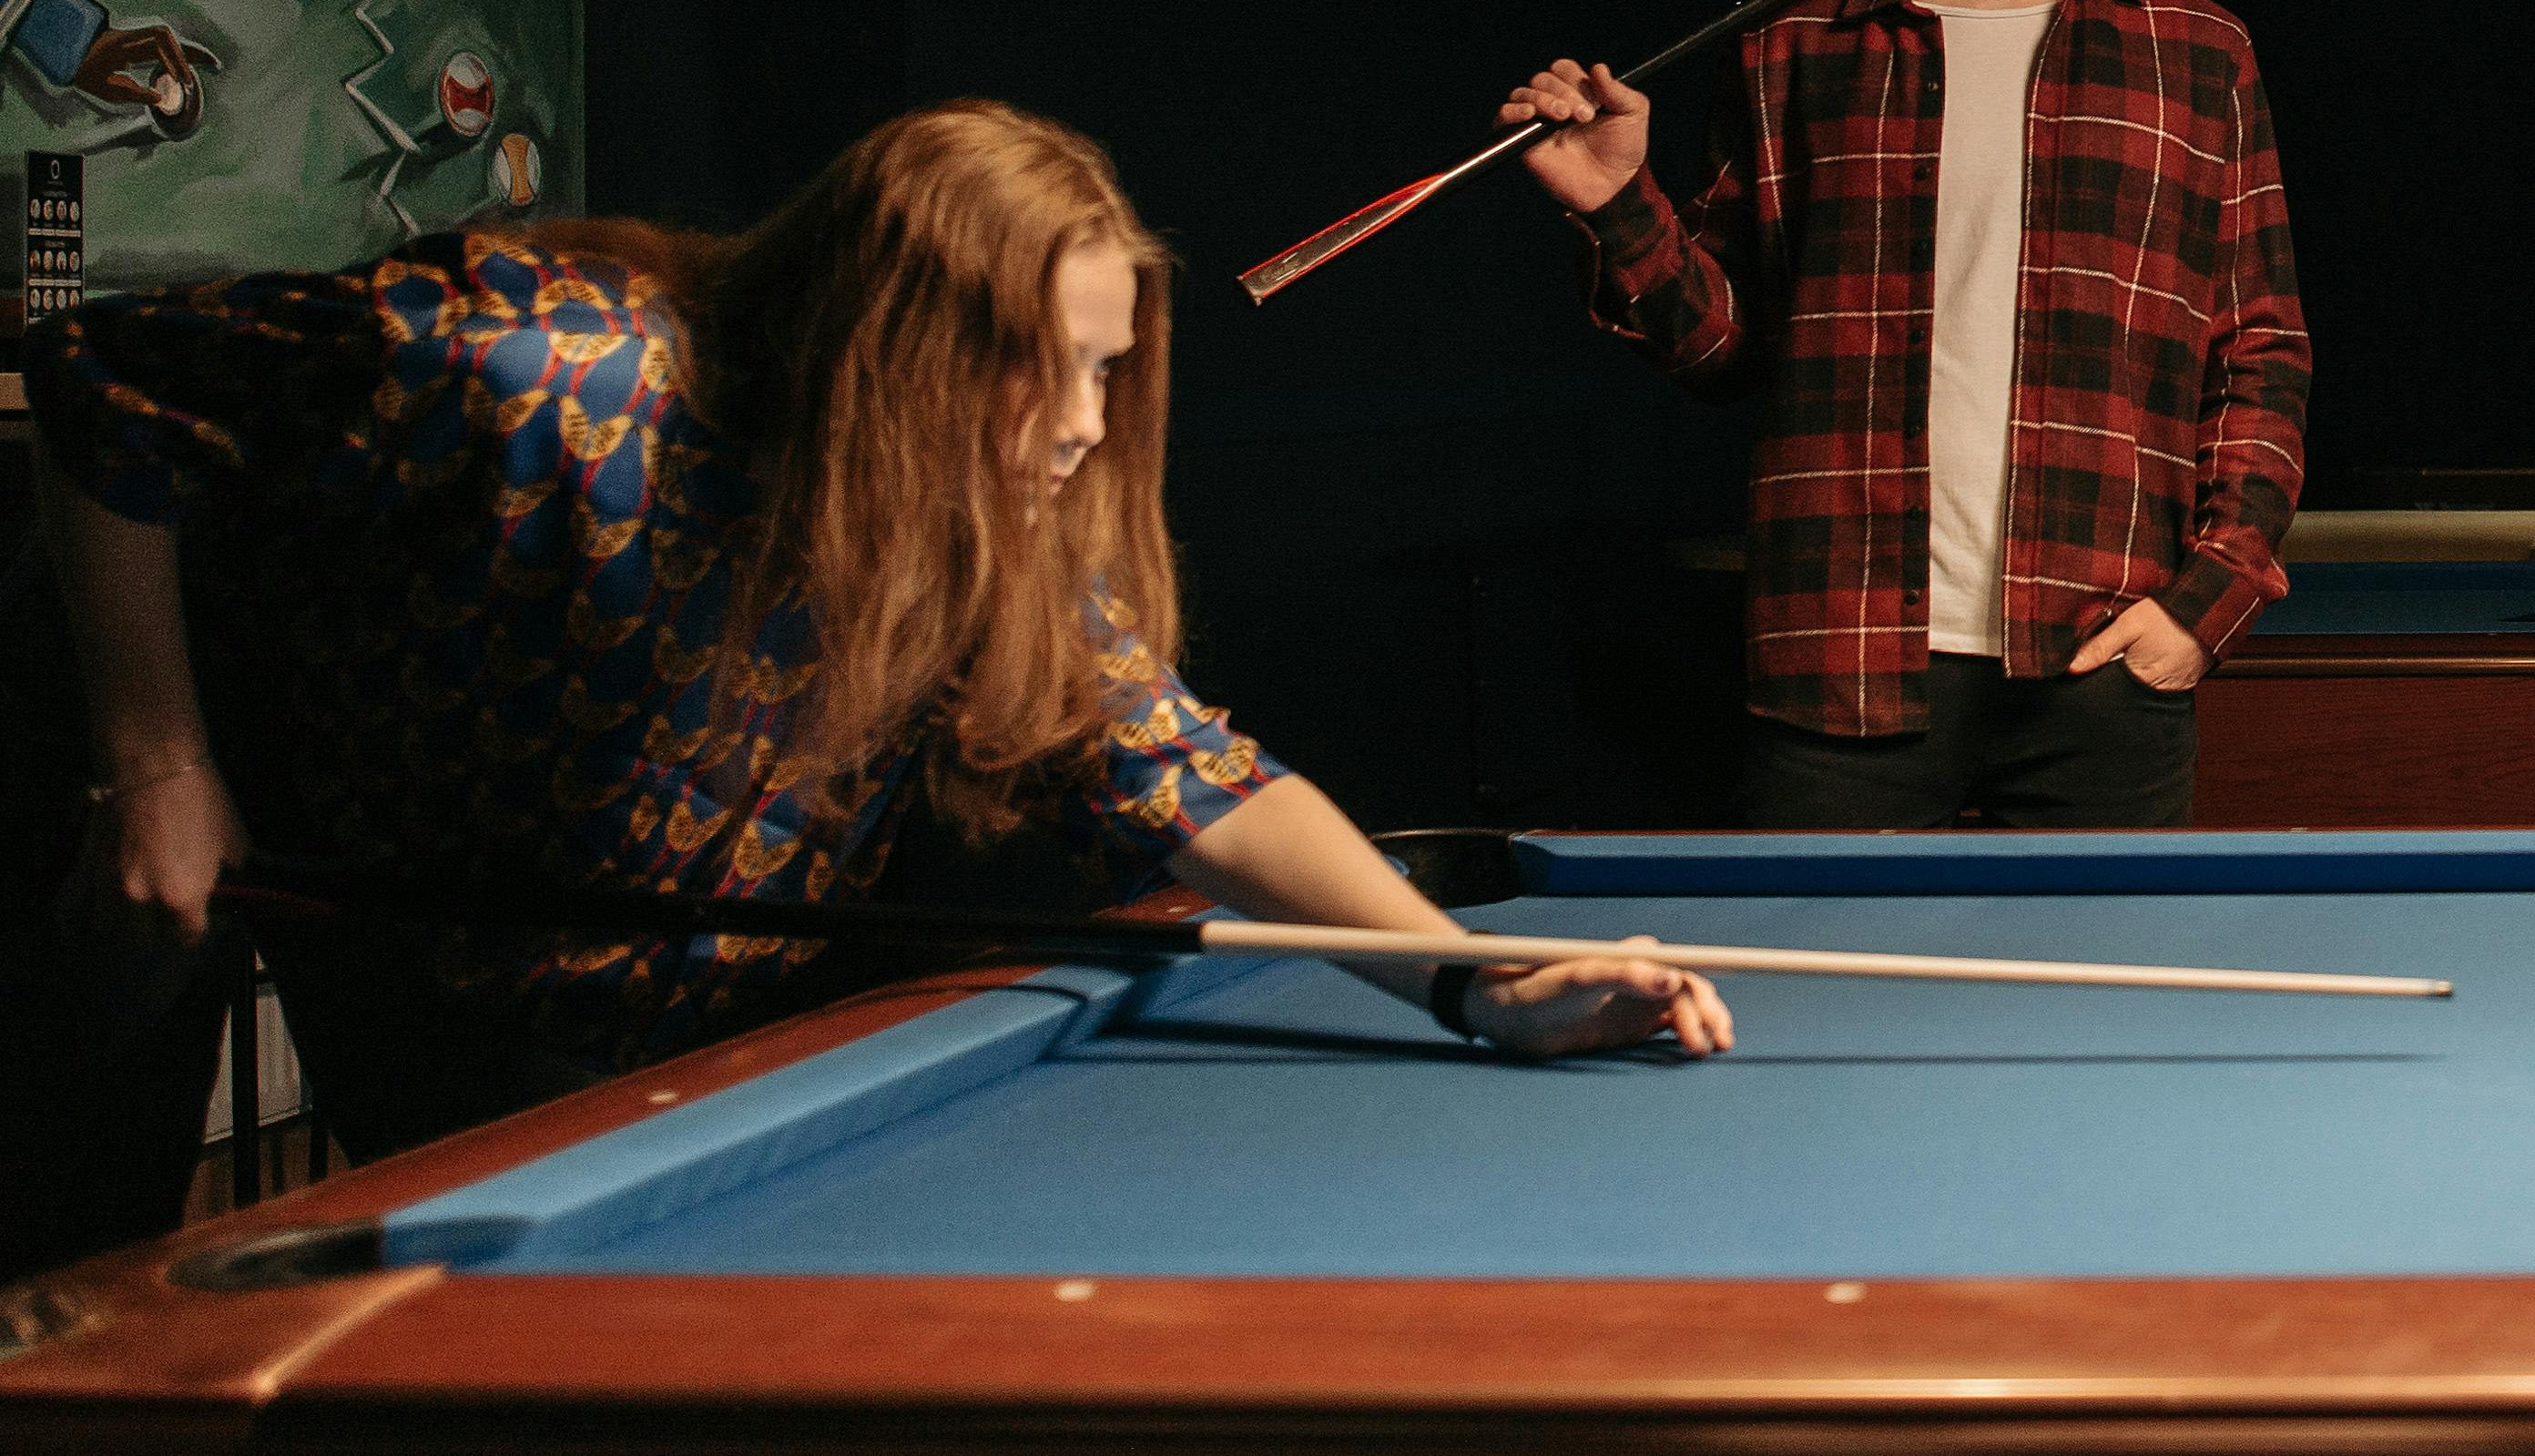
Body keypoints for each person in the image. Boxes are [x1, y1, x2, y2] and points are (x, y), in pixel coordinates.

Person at [4, 100, 1725, 1281]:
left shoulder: (997, 524)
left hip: (534, 926)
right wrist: (152, 763)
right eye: (1040, 367)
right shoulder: (527, 359)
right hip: (246, 771)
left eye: (1109, 367)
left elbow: (1184, 773)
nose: (1080, 420)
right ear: (898, 350)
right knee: (75, 1243)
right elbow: (103, 380)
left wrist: (1472, 981)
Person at [1503, 0, 2308, 831]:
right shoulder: (1795, 49)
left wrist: (2204, 607)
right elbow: (1725, 353)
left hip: (2099, 664)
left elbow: (2260, 357)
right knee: (1828, 1021)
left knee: (2097, 1028)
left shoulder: (2193, 52)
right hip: (1841, 669)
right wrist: (1621, 208)